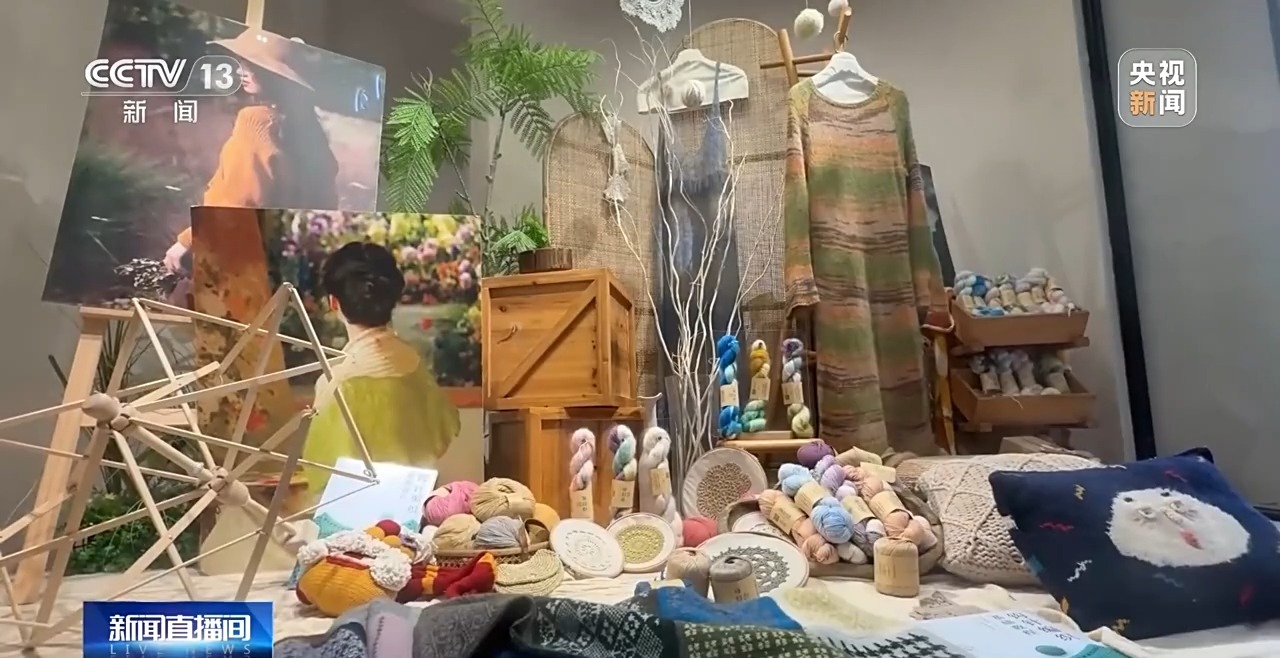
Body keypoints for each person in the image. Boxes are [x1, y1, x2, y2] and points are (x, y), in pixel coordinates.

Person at [164, 30, 338, 272]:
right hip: (282, 259)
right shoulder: (309, 130)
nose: (241, 71)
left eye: (253, 65)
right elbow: (325, 200)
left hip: (235, 256)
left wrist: (187, 241)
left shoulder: (254, 123)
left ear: (275, 76)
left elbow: (237, 202)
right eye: (243, 62)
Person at [302, 241, 462, 499]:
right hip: (417, 502)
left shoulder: (337, 383)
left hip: (354, 511)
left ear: (334, 302)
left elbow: (319, 472)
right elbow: (442, 435)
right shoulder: (414, 363)